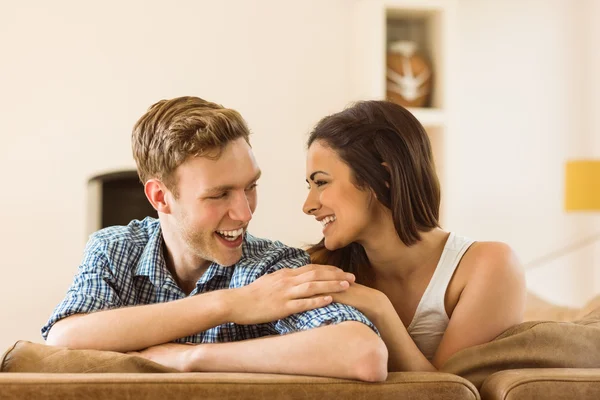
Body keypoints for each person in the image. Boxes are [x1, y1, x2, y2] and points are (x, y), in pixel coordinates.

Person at [42, 96, 387, 382]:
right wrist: (232, 304)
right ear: (160, 197)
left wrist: (191, 358)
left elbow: (364, 353)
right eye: (219, 194)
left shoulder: (272, 268)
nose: (244, 213)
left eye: (250, 186)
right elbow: (63, 339)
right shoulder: (114, 249)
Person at [303, 100, 526, 372]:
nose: (308, 205)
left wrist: (379, 309)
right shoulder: (318, 269)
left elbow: (452, 393)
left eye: (321, 182)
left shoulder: (489, 265)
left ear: (383, 176)